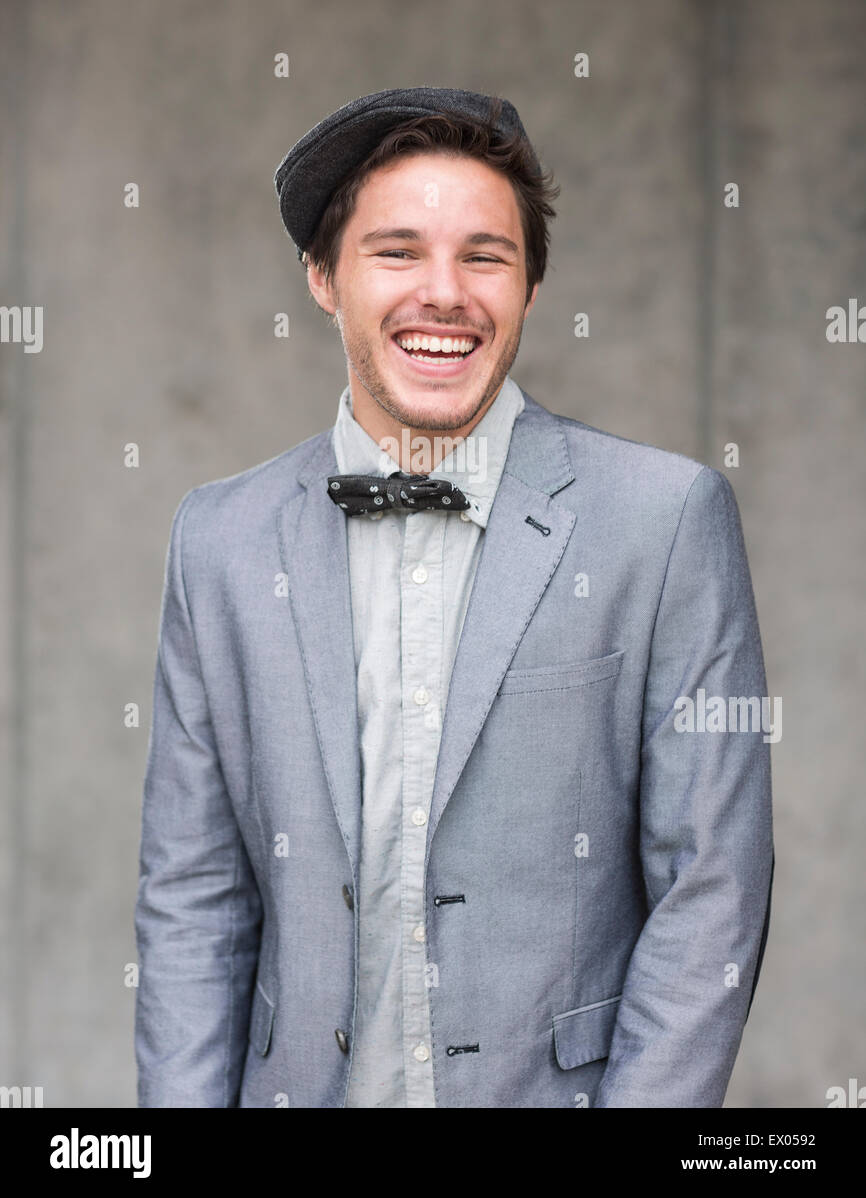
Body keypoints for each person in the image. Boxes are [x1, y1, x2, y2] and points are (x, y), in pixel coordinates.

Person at [134, 86, 774, 1108]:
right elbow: (191, 900)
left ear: (529, 287)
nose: (444, 293)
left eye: (485, 257)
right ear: (322, 278)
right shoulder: (218, 539)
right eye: (396, 252)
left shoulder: (664, 521)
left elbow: (712, 894)